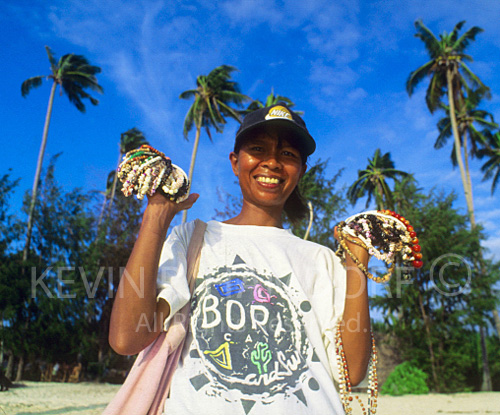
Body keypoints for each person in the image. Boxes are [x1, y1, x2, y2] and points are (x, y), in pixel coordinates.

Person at [109, 103, 372, 414]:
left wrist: (357, 265)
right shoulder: (193, 239)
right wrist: (156, 217)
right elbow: (127, 338)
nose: (272, 162)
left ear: (301, 170)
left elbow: (352, 372)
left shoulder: (322, 260)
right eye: (257, 149)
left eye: (288, 154)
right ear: (235, 162)